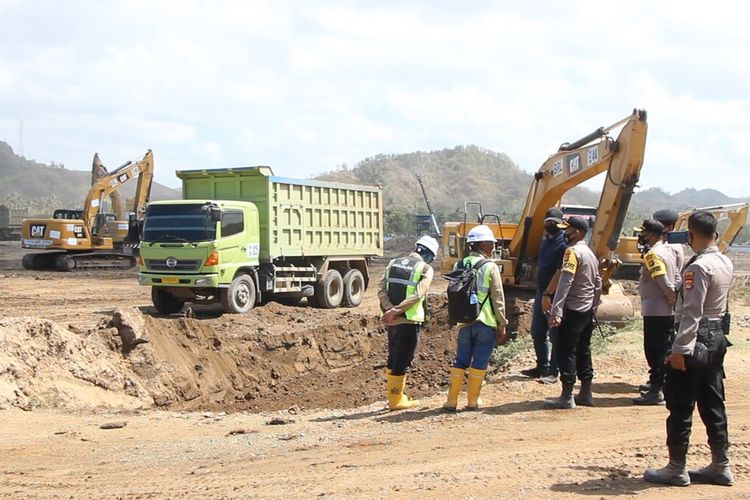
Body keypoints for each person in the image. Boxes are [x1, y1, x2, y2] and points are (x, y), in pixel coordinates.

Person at [644, 211, 735, 487]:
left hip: (696, 338)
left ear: (692, 234)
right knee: (712, 402)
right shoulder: (724, 261)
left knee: (681, 403)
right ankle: (720, 465)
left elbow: (692, 312)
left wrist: (680, 349)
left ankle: (676, 468)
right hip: (717, 336)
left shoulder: (698, 267)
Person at [443, 225, 508, 411]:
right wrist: (502, 323)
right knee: (479, 360)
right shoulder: (490, 267)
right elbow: (498, 297)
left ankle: (451, 401)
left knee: (461, 360)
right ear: (483, 244)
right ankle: (472, 401)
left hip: (464, 320)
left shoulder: (459, 265)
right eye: (491, 243)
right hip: (485, 321)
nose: (493, 246)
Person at [544, 216, 602, 409]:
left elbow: (565, 281)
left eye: (566, 230)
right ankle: (586, 392)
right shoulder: (590, 254)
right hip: (586, 311)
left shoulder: (572, 252)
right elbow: (598, 284)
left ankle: (567, 395)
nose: (563, 234)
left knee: (566, 350)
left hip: (572, 309)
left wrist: (556, 309)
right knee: (584, 350)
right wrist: (593, 307)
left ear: (577, 232)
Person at [378, 235, 438, 411]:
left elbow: (381, 289)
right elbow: (418, 294)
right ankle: (396, 401)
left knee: (393, 356)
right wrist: (397, 311)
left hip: (392, 321)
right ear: (429, 255)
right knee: (403, 358)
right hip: (409, 320)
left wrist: (390, 311)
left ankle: (394, 397)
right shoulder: (425, 268)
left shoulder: (392, 263)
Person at [633, 219, 678, 405]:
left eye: (643, 233)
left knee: (655, 351)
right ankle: (661, 385)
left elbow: (662, 279)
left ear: (651, 234)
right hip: (664, 309)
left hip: (655, 309)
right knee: (664, 348)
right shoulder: (668, 251)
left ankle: (656, 390)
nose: (641, 237)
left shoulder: (653, 254)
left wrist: (671, 297)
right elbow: (676, 277)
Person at [521, 207, 566, 383]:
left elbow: (560, 272)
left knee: (555, 334)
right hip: (542, 293)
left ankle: (554, 371)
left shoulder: (563, 245)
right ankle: (542, 366)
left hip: (553, 295)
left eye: (554, 223)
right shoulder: (545, 241)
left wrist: (549, 293)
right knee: (537, 331)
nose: (550, 226)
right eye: (548, 223)